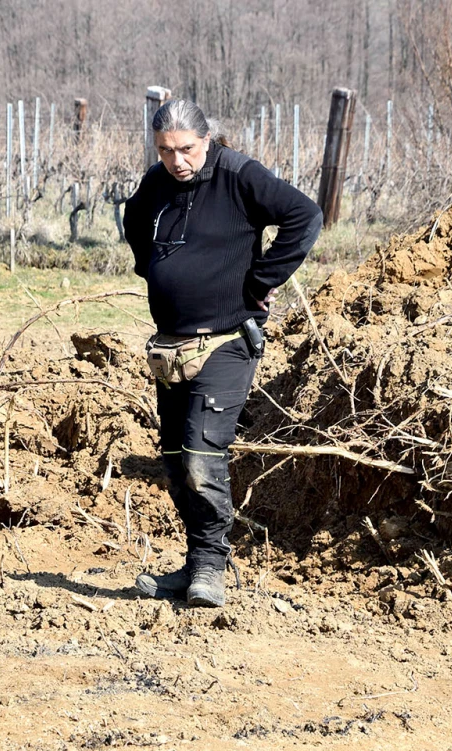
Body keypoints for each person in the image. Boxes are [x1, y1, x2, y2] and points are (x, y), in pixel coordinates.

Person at [123, 99, 322, 607]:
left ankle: (211, 569)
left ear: (206, 141)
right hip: (170, 346)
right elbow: (134, 217)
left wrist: (262, 279)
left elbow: (304, 215)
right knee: (172, 460)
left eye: (186, 149)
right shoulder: (157, 183)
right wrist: (157, 269)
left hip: (227, 341)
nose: (177, 161)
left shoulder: (237, 175)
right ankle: (194, 562)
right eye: (166, 151)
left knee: (200, 457)